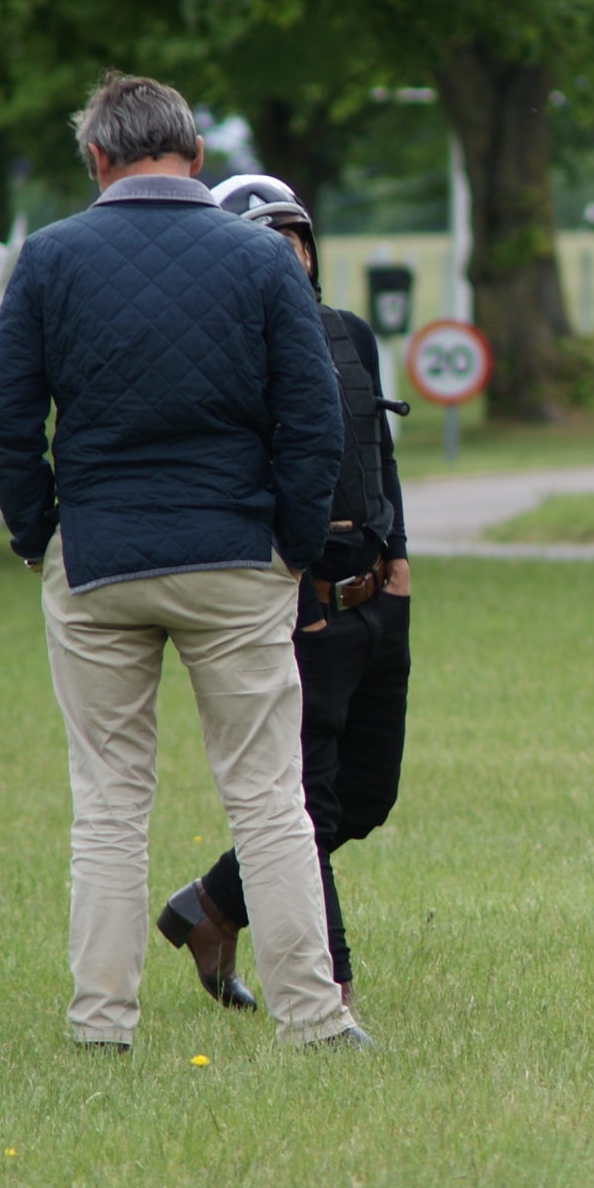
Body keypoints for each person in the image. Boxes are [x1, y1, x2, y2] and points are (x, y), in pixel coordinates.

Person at [0, 74, 367, 1052]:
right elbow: (313, 420)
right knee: (271, 799)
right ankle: (314, 1021)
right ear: (194, 157)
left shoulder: (52, 258)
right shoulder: (259, 260)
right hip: (237, 556)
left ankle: (101, 1022)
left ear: (96, 160)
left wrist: (41, 535)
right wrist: (294, 546)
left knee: (109, 802)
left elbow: (3, 417)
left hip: (100, 557)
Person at [156, 174, 413, 1015]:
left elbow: (379, 453)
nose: (287, 256)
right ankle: (327, 988)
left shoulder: (351, 334)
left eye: (296, 239)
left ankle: (212, 906)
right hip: (292, 603)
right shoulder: (230, 361)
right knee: (306, 800)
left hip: (374, 599)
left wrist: (398, 566)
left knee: (366, 798)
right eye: (267, 241)